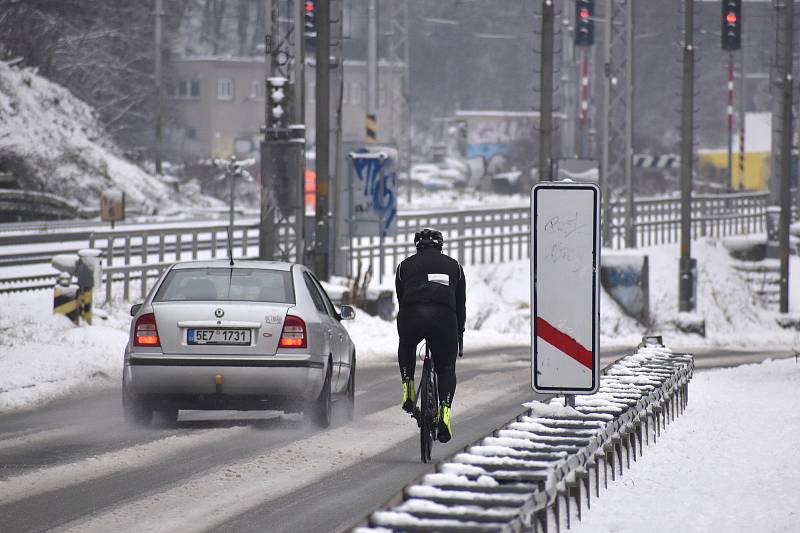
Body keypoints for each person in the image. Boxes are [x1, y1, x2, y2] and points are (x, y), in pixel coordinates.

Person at [395, 228, 466, 443]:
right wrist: (459, 333)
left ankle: (408, 388)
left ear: (417, 246)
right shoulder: (455, 267)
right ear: (440, 245)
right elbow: (460, 305)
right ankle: (444, 411)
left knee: (407, 345)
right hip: (444, 318)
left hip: (412, 314)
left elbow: (401, 299)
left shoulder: (403, 266)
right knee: (446, 368)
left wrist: (407, 325)